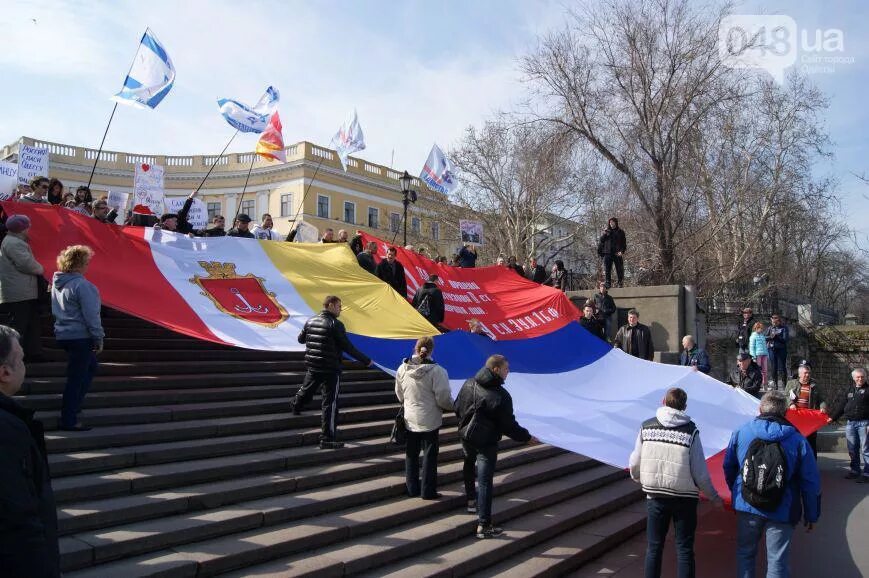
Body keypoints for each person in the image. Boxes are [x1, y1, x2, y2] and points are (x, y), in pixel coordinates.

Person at [723, 391, 821, 578]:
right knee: (777, 560)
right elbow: (810, 481)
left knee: (745, 553)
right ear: (785, 412)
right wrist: (812, 514)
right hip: (783, 507)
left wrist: (736, 494)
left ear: (760, 409)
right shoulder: (797, 440)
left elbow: (729, 466)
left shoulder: (741, 432)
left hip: (748, 503)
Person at [629, 387, 723, 578]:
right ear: (685, 407)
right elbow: (700, 472)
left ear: (663, 401)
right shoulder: (691, 432)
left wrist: (638, 476)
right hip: (684, 498)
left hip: (655, 496)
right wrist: (714, 497)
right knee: (684, 549)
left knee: (654, 548)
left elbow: (635, 461)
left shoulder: (646, 427)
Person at [0, 324, 60, 577]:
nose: (26, 366)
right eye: (22, 359)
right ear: (4, 372)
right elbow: (17, 519)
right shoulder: (7, 430)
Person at [454, 355, 533, 538]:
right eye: (506, 369)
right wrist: (526, 437)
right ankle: (484, 524)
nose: (508, 372)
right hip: (486, 442)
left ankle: (471, 501)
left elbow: (457, 406)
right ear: (496, 369)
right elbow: (509, 425)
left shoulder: (468, 383)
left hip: (466, 436)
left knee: (468, 465)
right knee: (484, 481)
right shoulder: (500, 395)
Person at [289, 295, 373, 449]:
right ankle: (327, 438)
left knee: (307, 389)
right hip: (331, 368)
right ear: (331, 305)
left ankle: (296, 405)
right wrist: (366, 360)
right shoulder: (336, 324)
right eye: (339, 306)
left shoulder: (310, 320)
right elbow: (348, 347)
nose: (341, 309)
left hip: (313, 364)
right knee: (330, 403)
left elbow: (301, 339)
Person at [51, 245, 103, 431]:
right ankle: (69, 418)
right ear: (79, 264)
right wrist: (98, 337)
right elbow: (91, 315)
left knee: (90, 368)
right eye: (87, 263)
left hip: (64, 333)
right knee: (77, 377)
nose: (88, 266)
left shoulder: (58, 283)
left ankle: (74, 406)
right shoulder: (83, 285)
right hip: (80, 335)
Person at [395, 336, 453, 499]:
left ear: (416, 348)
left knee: (411, 454)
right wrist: (451, 407)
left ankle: (412, 487)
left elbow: (400, 394)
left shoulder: (402, 368)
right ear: (432, 350)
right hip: (430, 418)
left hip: (410, 417)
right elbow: (443, 397)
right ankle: (428, 491)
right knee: (430, 455)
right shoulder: (438, 371)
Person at [0, 215, 45, 362]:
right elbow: (25, 263)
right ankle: (12, 356)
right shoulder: (14, 243)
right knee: (20, 325)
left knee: (31, 323)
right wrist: (43, 269)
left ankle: (33, 353)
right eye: (28, 226)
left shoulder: (14, 241)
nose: (29, 228)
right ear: (22, 228)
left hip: (22, 291)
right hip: (20, 292)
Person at [826, 368, 868, 483]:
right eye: (858, 377)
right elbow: (841, 406)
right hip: (850, 424)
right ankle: (855, 471)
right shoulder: (849, 390)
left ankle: (867, 473)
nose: (860, 379)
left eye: (862, 377)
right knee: (852, 448)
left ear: (865, 377)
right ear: (854, 378)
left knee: (865, 449)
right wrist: (832, 417)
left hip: (864, 423)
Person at [784, 361, 826, 456]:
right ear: (799, 374)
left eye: (809, 373)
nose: (807, 375)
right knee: (795, 442)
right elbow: (786, 396)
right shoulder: (791, 383)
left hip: (810, 419)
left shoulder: (815, 385)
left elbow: (822, 399)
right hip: (795, 419)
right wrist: (791, 404)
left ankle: (812, 466)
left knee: (811, 443)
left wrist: (823, 407)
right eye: (805, 373)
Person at [598, 217, 627, 288]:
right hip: (607, 253)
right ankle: (608, 283)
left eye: (612, 222)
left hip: (617, 253)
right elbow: (601, 240)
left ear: (616, 223)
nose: (611, 224)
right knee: (607, 269)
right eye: (610, 223)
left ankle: (620, 283)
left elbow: (624, 243)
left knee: (619, 269)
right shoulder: (607, 231)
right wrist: (605, 234)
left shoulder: (620, 232)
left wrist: (622, 251)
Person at [765, 314, 790, 391]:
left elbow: (785, 339)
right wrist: (770, 337)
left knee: (782, 367)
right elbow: (765, 337)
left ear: (779, 321)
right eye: (773, 321)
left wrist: (777, 337)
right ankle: (775, 384)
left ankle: (784, 384)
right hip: (772, 349)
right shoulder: (770, 328)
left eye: (775, 322)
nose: (774, 323)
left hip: (781, 349)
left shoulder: (784, 328)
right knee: (773, 367)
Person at [748, 321, 768, 386]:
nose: (761, 329)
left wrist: (767, 354)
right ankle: (758, 383)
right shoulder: (753, 336)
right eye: (760, 328)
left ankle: (764, 383)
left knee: (765, 370)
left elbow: (765, 345)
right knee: (758, 370)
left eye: (762, 328)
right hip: (757, 355)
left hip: (764, 354)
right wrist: (753, 356)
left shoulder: (762, 335)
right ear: (756, 328)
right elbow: (752, 347)